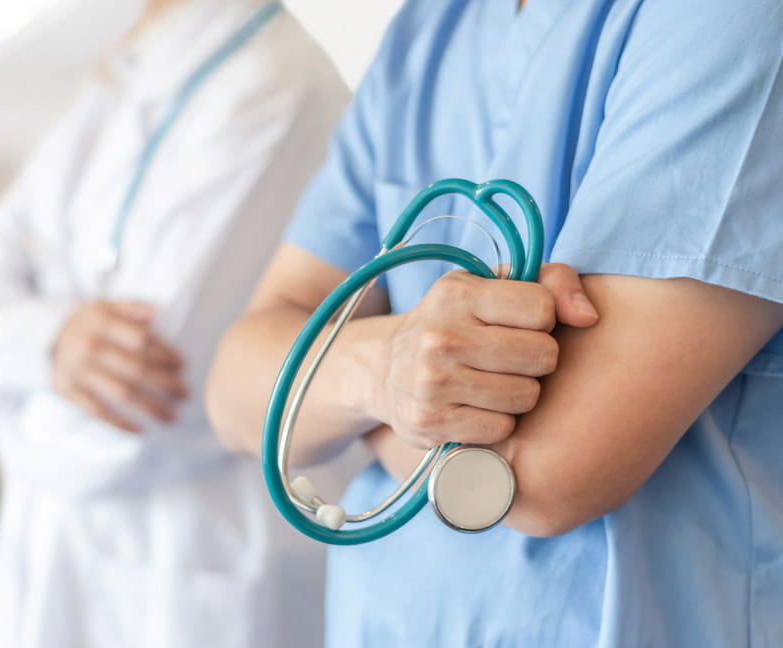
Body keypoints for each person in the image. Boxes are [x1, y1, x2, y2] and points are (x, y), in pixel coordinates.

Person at [206, 0, 783, 645]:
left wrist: (353, 399)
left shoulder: (739, 17)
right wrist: (386, 370)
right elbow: (234, 394)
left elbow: (538, 478)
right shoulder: (428, 28)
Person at [0, 1, 350, 646]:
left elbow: (135, 409)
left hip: (196, 559)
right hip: (69, 551)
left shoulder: (275, 85)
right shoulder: (122, 74)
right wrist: (50, 343)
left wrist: (3, 374)